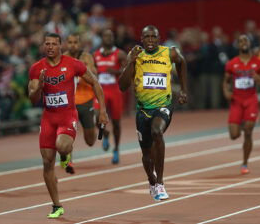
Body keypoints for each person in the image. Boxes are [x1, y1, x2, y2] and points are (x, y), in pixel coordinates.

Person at [28, 33, 108, 219]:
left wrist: (102, 111)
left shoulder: (73, 63)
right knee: (47, 162)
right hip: (48, 118)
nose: (50, 47)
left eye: (53, 44)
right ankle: (57, 205)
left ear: (60, 46)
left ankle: (65, 155)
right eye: (46, 44)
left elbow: (95, 82)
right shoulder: (36, 69)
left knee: (62, 145)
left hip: (67, 115)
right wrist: (39, 86)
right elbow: (32, 98)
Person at [119, 25, 188, 201]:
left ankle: (160, 183)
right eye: (146, 37)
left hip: (163, 105)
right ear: (141, 39)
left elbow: (182, 63)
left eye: (153, 37)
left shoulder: (169, 53)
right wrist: (131, 62)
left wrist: (183, 90)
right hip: (143, 110)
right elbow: (122, 86)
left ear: (159, 39)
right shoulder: (135, 54)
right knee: (147, 156)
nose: (150, 40)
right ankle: (152, 180)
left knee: (157, 131)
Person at [223, 35, 260, 175]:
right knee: (234, 135)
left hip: (251, 100)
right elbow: (225, 81)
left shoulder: (259, 63)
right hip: (236, 101)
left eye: (246, 41)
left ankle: (244, 163)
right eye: (241, 41)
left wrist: (259, 78)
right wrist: (225, 91)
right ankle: (242, 123)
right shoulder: (232, 63)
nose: (243, 43)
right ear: (238, 45)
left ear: (250, 43)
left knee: (248, 131)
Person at [63, 33, 98, 174]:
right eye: (70, 42)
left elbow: (93, 74)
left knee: (90, 141)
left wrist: (82, 71)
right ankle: (68, 161)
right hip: (69, 102)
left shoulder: (86, 57)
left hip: (85, 100)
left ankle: (96, 126)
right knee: (68, 133)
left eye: (75, 42)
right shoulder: (63, 57)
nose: (72, 45)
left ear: (80, 43)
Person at [94, 29, 127, 164]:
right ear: (102, 38)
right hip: (101, 90)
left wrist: (115, 71)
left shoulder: (120, 54)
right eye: (105, 36)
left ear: (113, 38)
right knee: (97, 117)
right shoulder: (95, 55)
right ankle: (105, 133)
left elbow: (127, 71)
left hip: (114, 91)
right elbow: (90, 71)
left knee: (116, 122)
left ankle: (116, 149)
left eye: (110, 36)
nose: (108, 38)